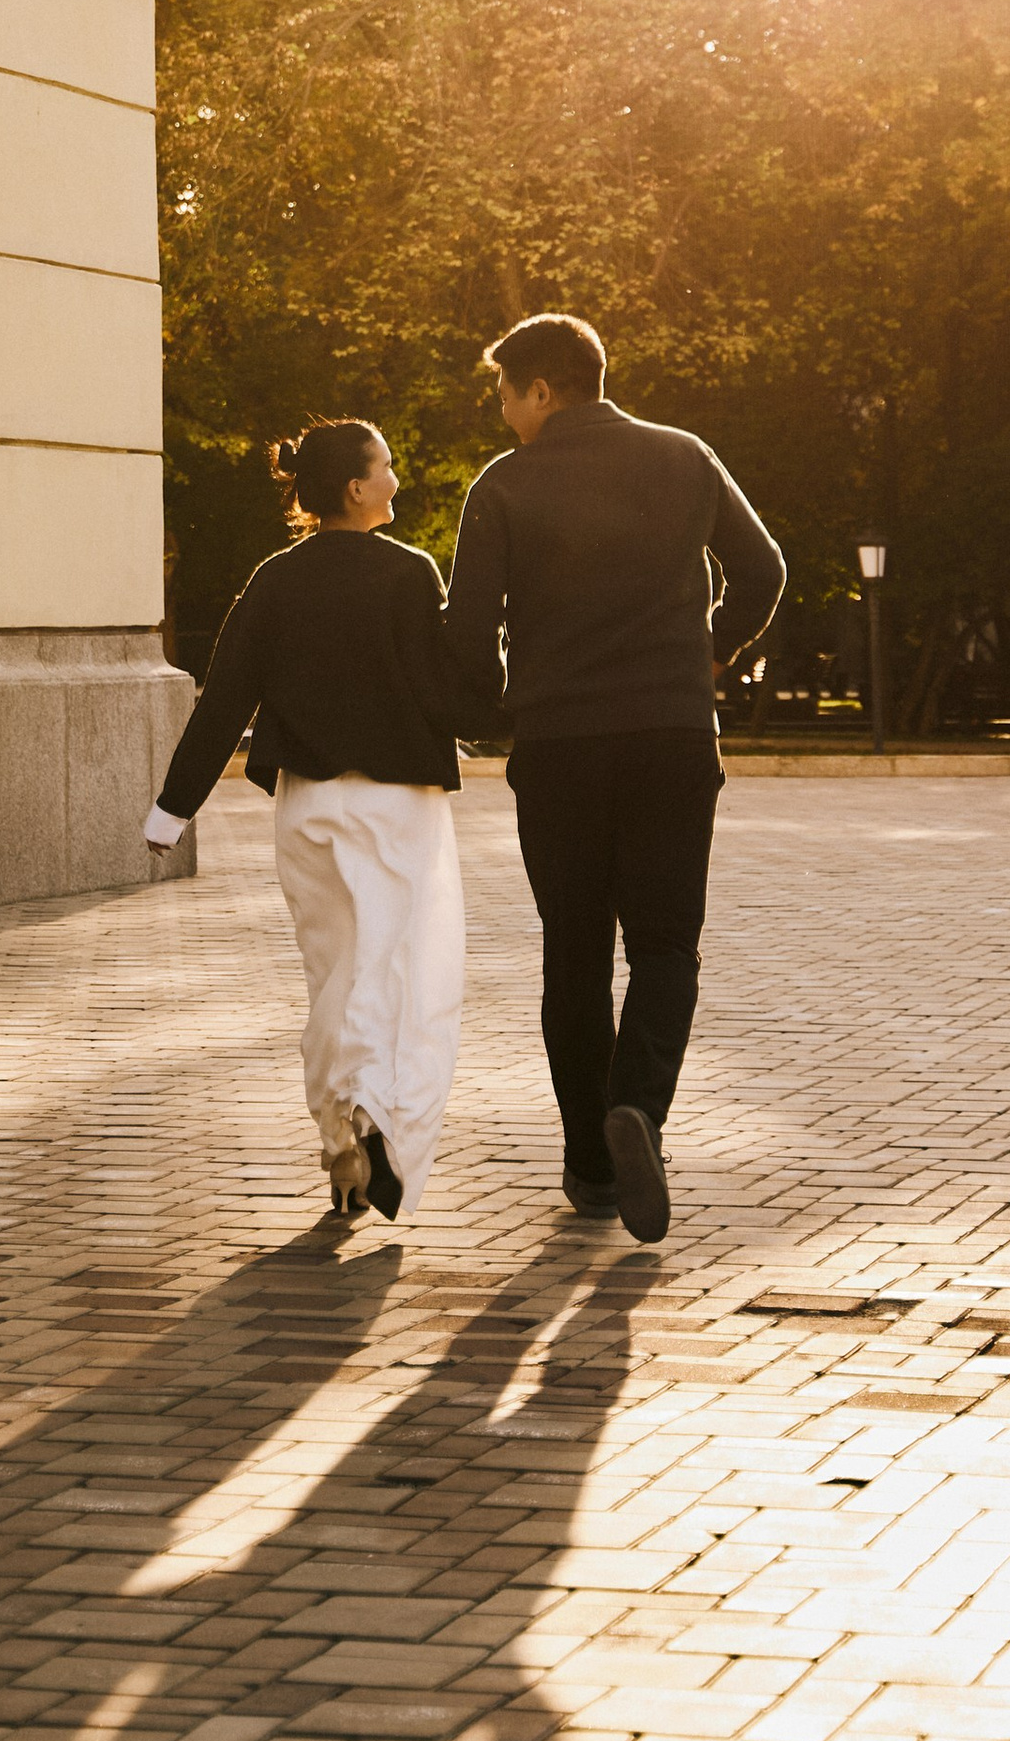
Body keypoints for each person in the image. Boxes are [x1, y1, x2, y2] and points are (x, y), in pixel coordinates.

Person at [445, 312, 783, 1245]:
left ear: (543, 390)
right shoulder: (685, 457)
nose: (503, 411)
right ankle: (639, 1108)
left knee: (576, 954)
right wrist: (709, 661)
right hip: (674, 737)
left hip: (559, 748)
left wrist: (484, 710)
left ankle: (592, 1171)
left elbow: (469, 635)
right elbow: (767, 570)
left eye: (506, 393)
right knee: (668, 946)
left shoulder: (504, 486)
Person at [145, 421, 465, 1220]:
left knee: (334, 972)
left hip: (310, 806)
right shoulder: (411, 574)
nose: (397, 476)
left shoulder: (275, 581)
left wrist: (171, 809)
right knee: (398, 971)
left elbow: (224, 701)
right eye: (387, 465)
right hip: (399, 806)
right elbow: (449, 694)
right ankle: (374, 1117)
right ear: (356, 488)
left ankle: (340, 1137)